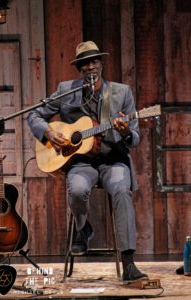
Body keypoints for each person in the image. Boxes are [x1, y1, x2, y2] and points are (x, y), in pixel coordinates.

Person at [27, 41, 148, 284]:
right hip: (81, 162)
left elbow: (134, 137)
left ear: (101, 64)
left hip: (113, 160)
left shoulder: (121, 93)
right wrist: (49, 133)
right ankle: (84, 228)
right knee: (78, 190)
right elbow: (34, 115)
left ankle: (129, 263)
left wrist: (124, 132)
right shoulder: (66, 90)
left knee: (122, 191)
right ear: (79, 68)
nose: (90, 67)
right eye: (84, 63)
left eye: (94, 61)